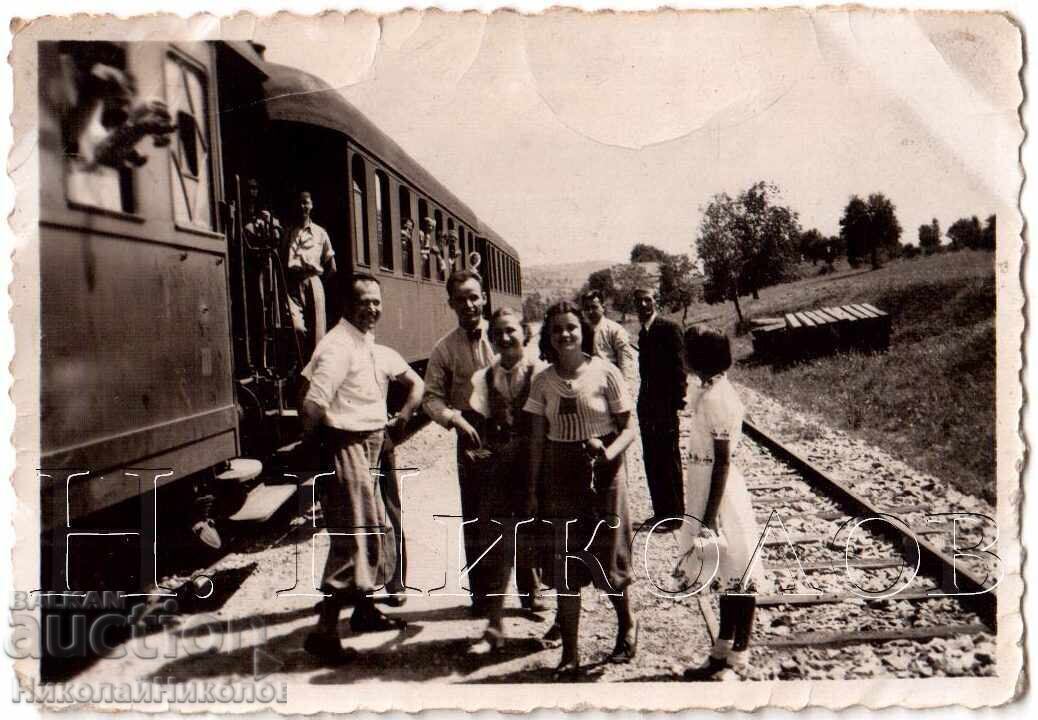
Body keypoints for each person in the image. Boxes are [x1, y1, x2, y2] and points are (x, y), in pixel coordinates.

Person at [300, 273, 424, 664]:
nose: (371, 308)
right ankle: (323, 634)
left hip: (369, 443)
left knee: (375, 529)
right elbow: (312, 405)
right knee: (353, 537)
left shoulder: (362, 342)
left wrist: (399, 416)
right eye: (363, 302)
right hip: (347, 444)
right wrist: (321, 452)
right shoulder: (338, 346)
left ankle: (366, 611)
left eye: (376, 301)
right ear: (347, 307)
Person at [524, 300, 640, 679]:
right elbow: (538, 441)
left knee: (609, 556)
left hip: (605, 471)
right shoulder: (542, 381)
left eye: (572, 327)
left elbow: (628, 428)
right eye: (557, 329)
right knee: (566, 562)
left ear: (583, 331)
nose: (565, 334)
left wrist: (608, 455)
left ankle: (626, 626)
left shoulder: (605, 373)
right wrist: (534, 487)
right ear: (549, 337)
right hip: (561, 474)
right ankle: (570, 654)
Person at [676, 325, 763, 681]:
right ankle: (721, 650)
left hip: (721, 496)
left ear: (700, 357)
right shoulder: (708, 390)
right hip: (705, 490)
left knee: (738, 574)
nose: (680, 355)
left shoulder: (718, 399)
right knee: (726, 575)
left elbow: (723, 461)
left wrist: (709, 518)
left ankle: (739, 656)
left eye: (685, 350)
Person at [466, 308, 547, 653]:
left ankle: (560, 623)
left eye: (511, 331)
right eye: (497, 333)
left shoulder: (542, 374)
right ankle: (495, 626)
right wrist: (480, 451)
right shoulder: (485, 378)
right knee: (498, 547)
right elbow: (481, 423)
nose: (504, 338)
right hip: (502, 473)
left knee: (549, 544)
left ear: (524, 334)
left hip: (539, 469)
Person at [423, 269, 496, 613]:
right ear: (450, 304)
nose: (469, 304)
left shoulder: (506, 336)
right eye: (460, 299)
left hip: (508, 428)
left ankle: (531, 589)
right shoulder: (444, 348)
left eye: (473, 296)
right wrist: (454, 419)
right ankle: (481, 594)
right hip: (471, 430)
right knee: (476, 512)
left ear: (484, 298)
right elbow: (431, 398)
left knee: (523, 506)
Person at [634, 287, 687, 528]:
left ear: (655, 302)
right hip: (646, 406)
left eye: (648, 300)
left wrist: (676, 401)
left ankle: (675, 514)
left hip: (664, 407)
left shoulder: (668, 328)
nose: (644, 305)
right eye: (639, 302)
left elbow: (679, 368)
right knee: (652, 458)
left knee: (668, 458)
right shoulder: (643, 333)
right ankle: (661, 512)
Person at [282, 191, 336, 363]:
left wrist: (318, 283)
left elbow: (332, 266)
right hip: (292, 285)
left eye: (306, 203)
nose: (303, 207)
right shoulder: (288, 232)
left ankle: (314, 379)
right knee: (296, 327)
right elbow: (282, 257)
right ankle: (302, 369)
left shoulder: (321, 233)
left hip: (314, 282)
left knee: (317, 337)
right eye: (300, 203)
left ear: (311, 205)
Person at [580, 290, 636, 385]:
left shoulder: (615, 330)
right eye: (586, 308)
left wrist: (626, 391)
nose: (590, 312)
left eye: (594, 307)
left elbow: (626, 365)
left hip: (609, 383)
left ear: (603, 307)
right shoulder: (579, 331)